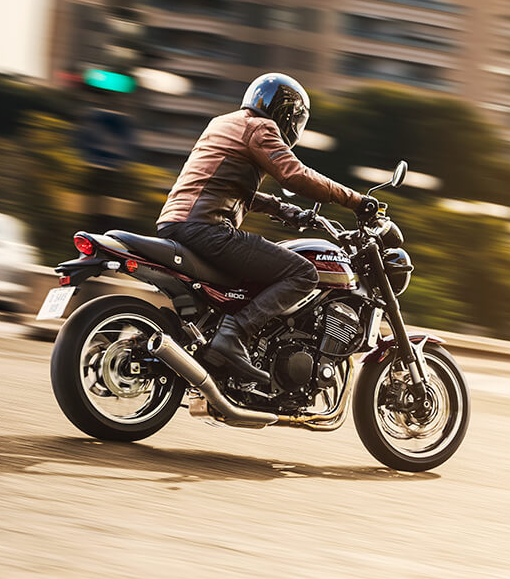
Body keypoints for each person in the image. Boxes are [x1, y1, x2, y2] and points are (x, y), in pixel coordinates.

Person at [156, 72, 378, 382]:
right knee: (303, 273)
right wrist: (355, 201)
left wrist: (284, 210)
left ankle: (228, 342)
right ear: (287, 114)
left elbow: (224, 185)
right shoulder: (261, 128)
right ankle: (233, 335)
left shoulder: (224, 122)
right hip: (208, 229)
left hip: (174, 224)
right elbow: (294, 175)